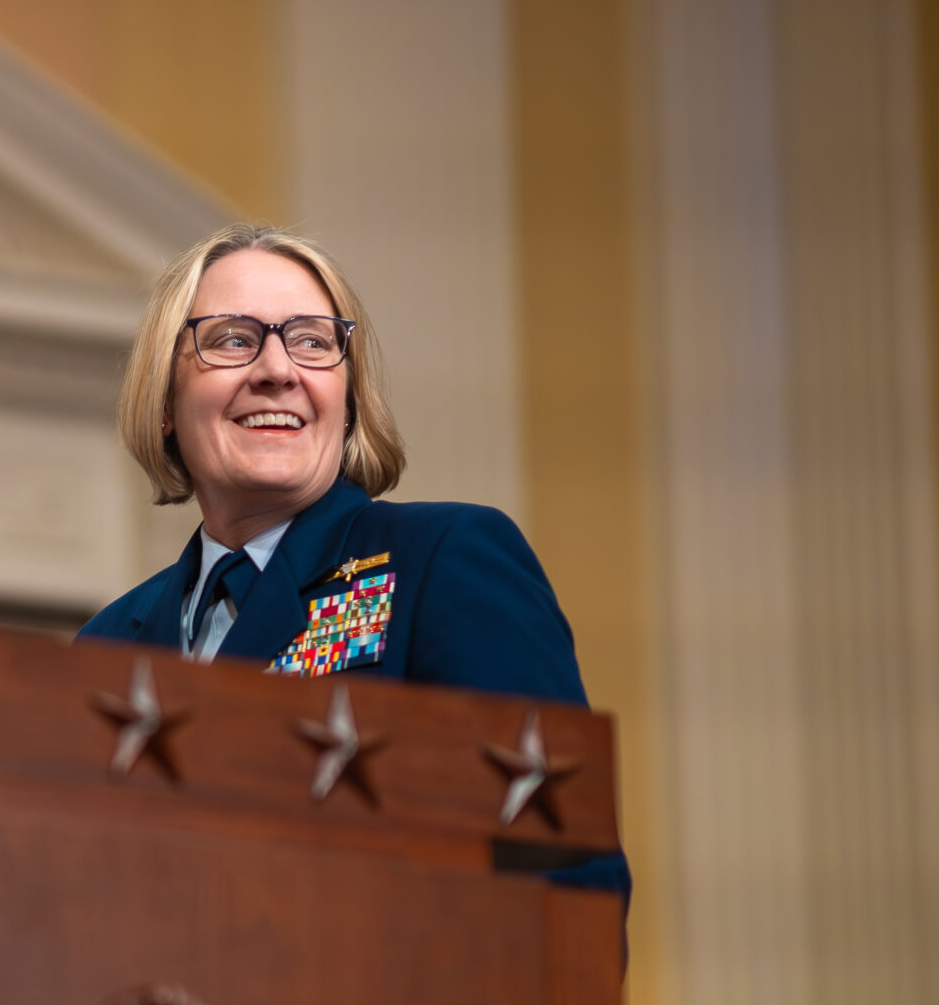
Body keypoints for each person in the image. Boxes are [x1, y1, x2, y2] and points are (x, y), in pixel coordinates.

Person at [79, 221, 627, 898]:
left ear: (347, 397)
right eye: (231, 338)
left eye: (312, 341)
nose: (277, 370)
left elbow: (561, 871)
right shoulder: (103, 645)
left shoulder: (443, 561)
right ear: (165, 400)